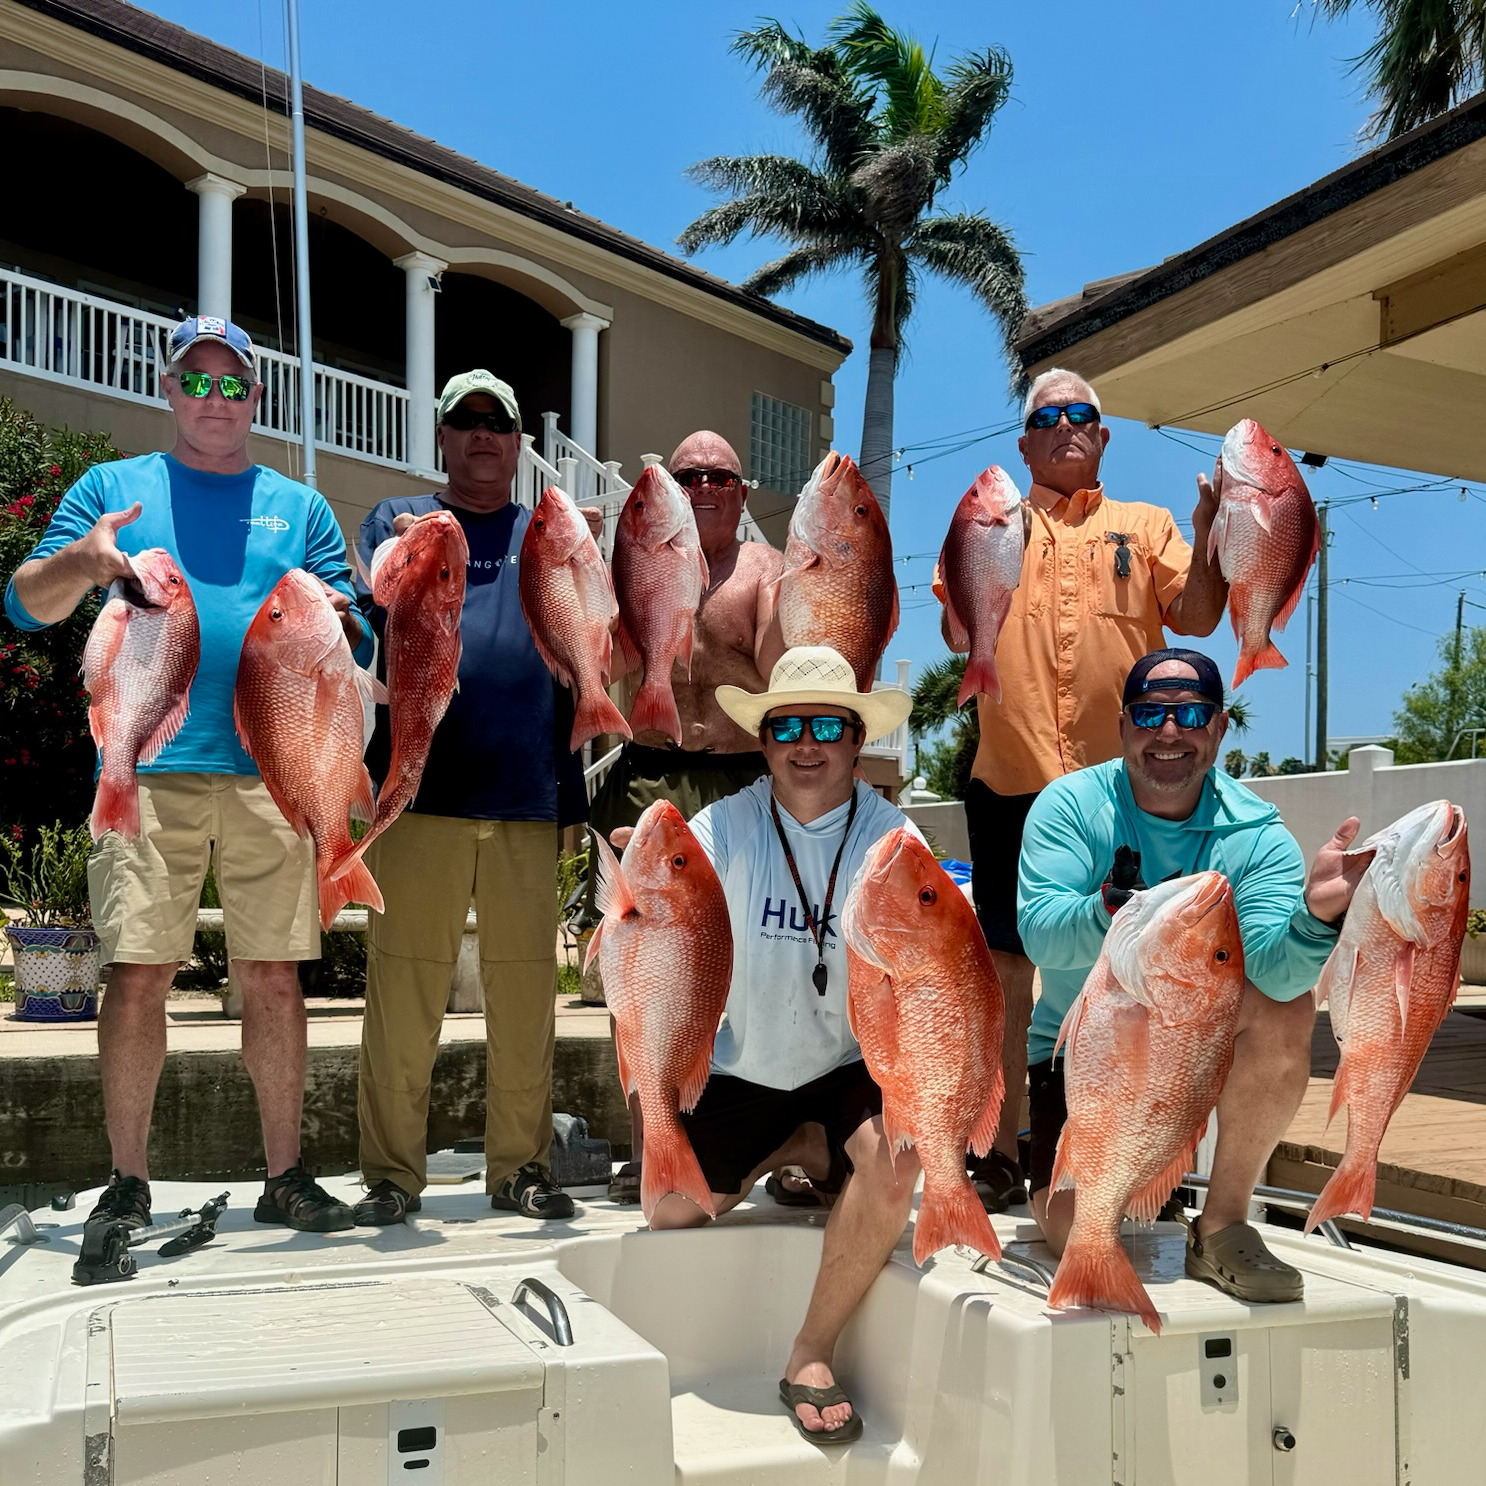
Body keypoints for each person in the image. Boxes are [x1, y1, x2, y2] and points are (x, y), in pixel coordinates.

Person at [4, 315, 372, 1234]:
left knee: (274, 976)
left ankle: (285, 1176)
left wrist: (345, 618)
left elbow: (357, 633)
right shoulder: (112, 491)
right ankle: (127, 1178)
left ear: (257, 397)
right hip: (146, 769)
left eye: (232, 383)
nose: (215, 398)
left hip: (274, 771)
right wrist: (84, 562)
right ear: (168, 389)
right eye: (196, 381)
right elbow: (23, 604)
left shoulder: (302, 507)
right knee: (137, 973)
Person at [938, 367, 1229, 1212]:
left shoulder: (1149, 525)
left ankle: (1140, 1154)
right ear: (1025, 443)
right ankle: (997, 1150)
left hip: (1123, 792)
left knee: (1138, 969)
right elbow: (956, 628)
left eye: (1081, 414)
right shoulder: (991, 520)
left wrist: (1210, 534)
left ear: (1103, 436)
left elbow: (1199, 617)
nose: (1064, 425)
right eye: (1047, 417)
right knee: (1006, 969)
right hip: (1011, 780)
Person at [1017, 647, 1365, 1301]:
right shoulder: (1070, 805)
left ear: (1220, 727)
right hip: (1081, 1058)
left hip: (1187, 1059)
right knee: (1075, 1232)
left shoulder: (1257, 834)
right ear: (1124, 725)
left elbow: (1277, 975)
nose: (1169, 732)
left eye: (1192, 714)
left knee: (1288, 1006)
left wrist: (1317, 916)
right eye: (1150, 714)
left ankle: (1224, 1221)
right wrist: (1106, 910)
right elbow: (1040, 933)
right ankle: (1129, 1188)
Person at [643, 645, 918, 1445]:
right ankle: (795, 1149)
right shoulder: (722, 825)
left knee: (897, 1166)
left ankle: (811, 1352)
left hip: (845, 1064)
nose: (806, 744)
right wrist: (641, 883)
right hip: (743, 1063)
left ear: (856, 740)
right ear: (762, 741)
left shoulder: (892, 839)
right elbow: (662, 908)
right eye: (786, 727)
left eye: (826, 727)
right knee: (665, 1214)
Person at [351, 369, 589, 1226]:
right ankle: (390, 1176)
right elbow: (373, 596)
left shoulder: (547, 530)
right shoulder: (402, 518)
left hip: (526, 798)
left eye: (498, 422)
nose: (483, 433)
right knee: (403, 997)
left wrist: (572, 803)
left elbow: (579, 651)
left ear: (519, 443)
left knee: (525, 1001)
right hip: (419, 796)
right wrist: (405, 548)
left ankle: (519, 1169)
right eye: (466, 420)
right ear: (443, 437)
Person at [586, 429, 785, 1203]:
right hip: (651, 769)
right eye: (688, 477)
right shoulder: (635, 557)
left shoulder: (766, 569)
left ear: (742, 492)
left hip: (743, 776)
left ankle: (771, 1143)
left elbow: (781, 673)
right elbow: (608, 663)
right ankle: (650, 1149)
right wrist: (601, 584)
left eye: (719, 477)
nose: (704, 488)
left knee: (763, 956)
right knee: (637, 962)